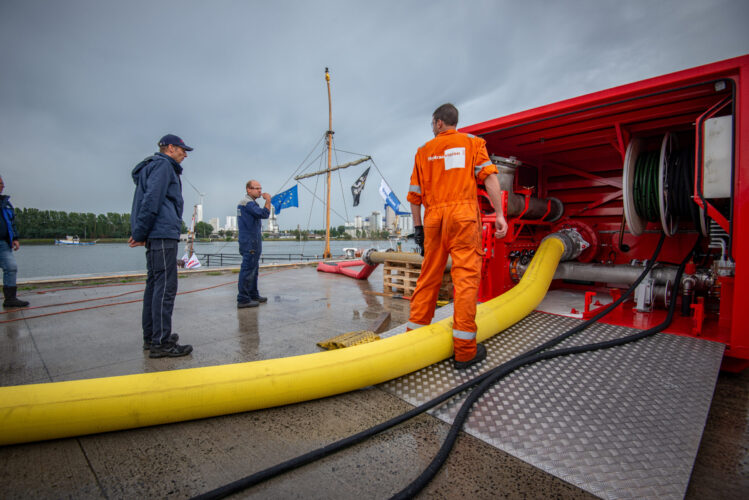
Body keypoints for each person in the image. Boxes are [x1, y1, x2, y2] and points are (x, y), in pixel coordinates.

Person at [406, 103, 508, 370]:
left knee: (428, 277)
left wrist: (418, 229)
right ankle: (464, 352)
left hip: (434, 220)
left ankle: (412, 345)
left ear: (439, 123)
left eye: (432, 123)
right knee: (465, 280)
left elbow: (415, 197)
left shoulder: (424, 151)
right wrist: (499, 214)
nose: (432, 127)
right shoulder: (473, 143)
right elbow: (490, 178)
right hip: (463, 217)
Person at [129, 134, 194, 358]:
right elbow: (151, 201)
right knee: (165, 288)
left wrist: (140, 231)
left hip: (155, 233)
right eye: (182, 150)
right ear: (170, 148)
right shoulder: (164, 167)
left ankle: (152, 336)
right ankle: (161, 342)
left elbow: (143, 200)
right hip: (163, 233)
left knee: (155, 286)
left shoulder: (151, 167)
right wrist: (139, 232)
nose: (185, 154)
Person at [237, 180, 271, 308]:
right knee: (248, 269)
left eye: (260, 188)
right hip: (250, 241)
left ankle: (252, 294)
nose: (260, 191)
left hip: (252, 240)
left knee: (254, 269)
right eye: (256, 188)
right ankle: (243, 299)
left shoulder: (250, 203)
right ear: (248, 189)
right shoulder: (248, 204)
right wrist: (268, 200)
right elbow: (264, 214)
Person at [0, 176, 29, 308]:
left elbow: (11, 222)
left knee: (11, 267)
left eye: (2, 184)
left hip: (4, 243)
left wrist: (15, 238)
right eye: (0, 183)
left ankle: (10, 299)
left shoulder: (6, 203)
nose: (2, 186)